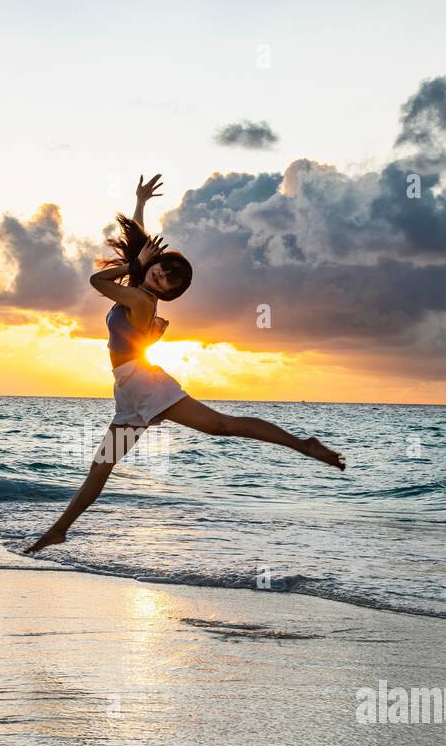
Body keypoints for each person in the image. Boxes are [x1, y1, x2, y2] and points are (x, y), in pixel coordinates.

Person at [25, 173, 345, 554]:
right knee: (103, 465)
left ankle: (304, 445)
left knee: (222, 426)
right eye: (161, 268)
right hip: (129, 390)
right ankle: (59, 530)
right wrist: (141, 203)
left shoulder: (141, 301)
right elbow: (137, 249)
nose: (160, 274)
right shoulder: (138, 289)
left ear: (169, 293)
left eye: (168, 279)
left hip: (146, 384)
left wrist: (138, 265)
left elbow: (97, 279)